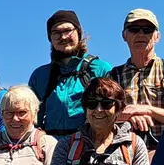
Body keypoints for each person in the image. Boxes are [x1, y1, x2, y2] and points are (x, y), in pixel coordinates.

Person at [108, 9, 164, 150]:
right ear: (124, 36)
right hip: (124, 155)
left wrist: (147, 110)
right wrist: (127, 116)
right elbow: (99, 116)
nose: (141, 34)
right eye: (134, 29)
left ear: (157, 36)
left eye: (148, 29)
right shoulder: (112, 77)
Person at [30, 10, 113, 138]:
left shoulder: (100, 69)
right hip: (50, 148)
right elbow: (32, 119)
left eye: (68, 30)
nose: (63, 37)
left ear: (79, 33)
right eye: (56, 33)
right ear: (50, 39)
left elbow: (112, 111)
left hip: (89, 145)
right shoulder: (40, 76)